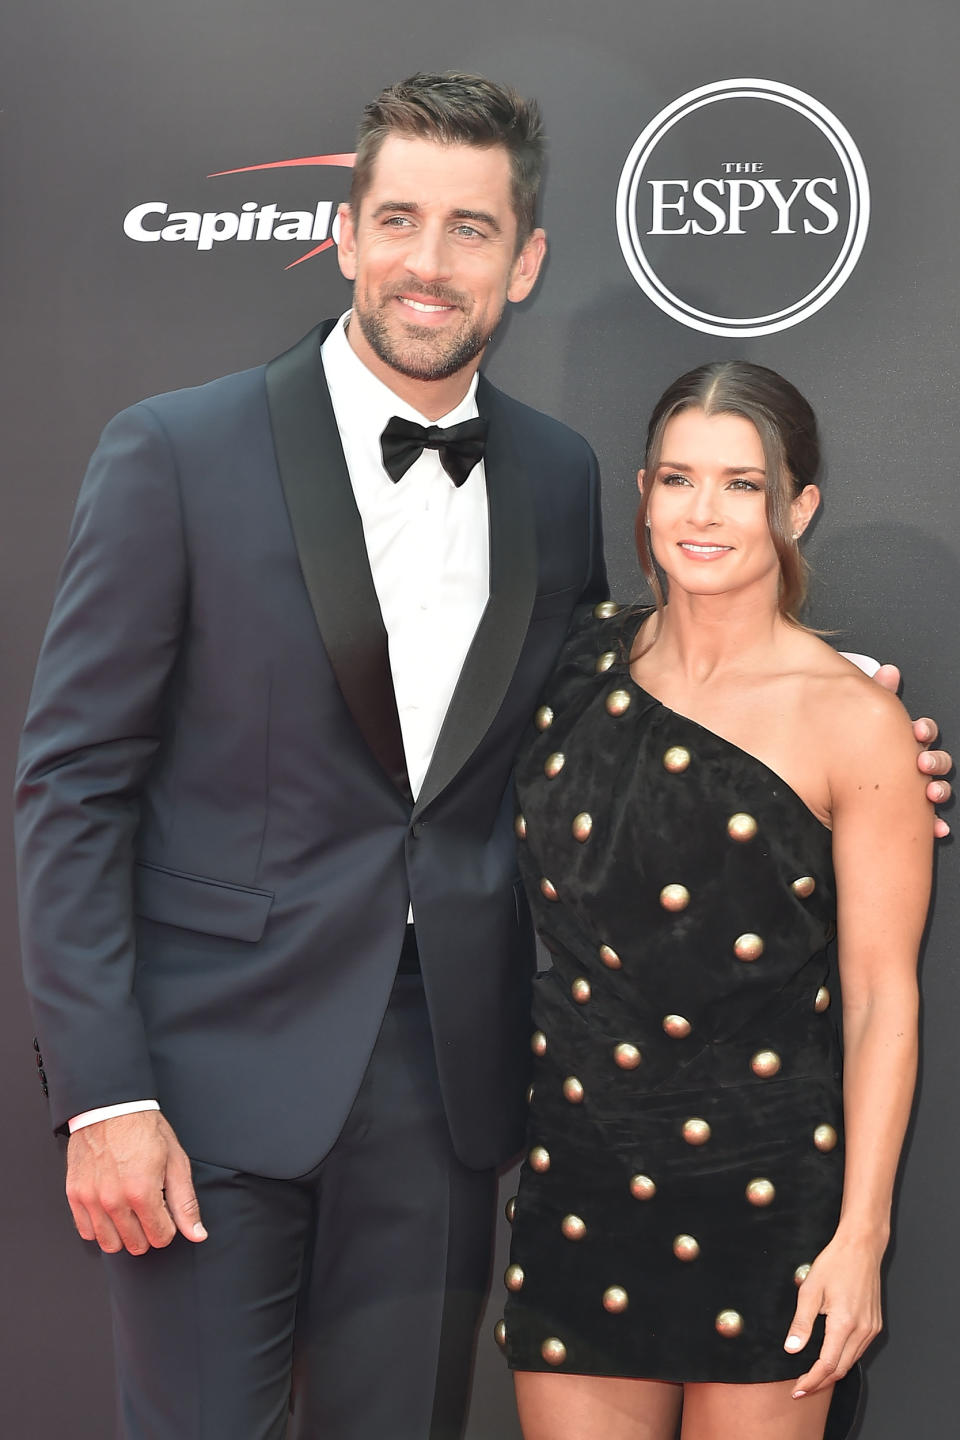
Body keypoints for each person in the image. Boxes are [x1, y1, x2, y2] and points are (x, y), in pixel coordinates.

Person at [14, 75, 947, 1440]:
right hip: (204, 1088)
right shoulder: (175, 451)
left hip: (448, 1087)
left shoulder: (560, 476)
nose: (429, 263)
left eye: (471, 229)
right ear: (345, 235)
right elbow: (72, 785)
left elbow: (619, 678)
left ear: (527, 262)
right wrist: (105, 1093)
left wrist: (841, 702)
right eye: (400, 220)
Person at [502, 361, 934, 1440]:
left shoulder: (855, 722)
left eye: (742, 486)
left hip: (767, 1197)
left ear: (799, 509)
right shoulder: (567, 665)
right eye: (678, 479)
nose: (703, 514)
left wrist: (860, 1239)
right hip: (581, 1179)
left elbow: (883, 997)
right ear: (642, 494)